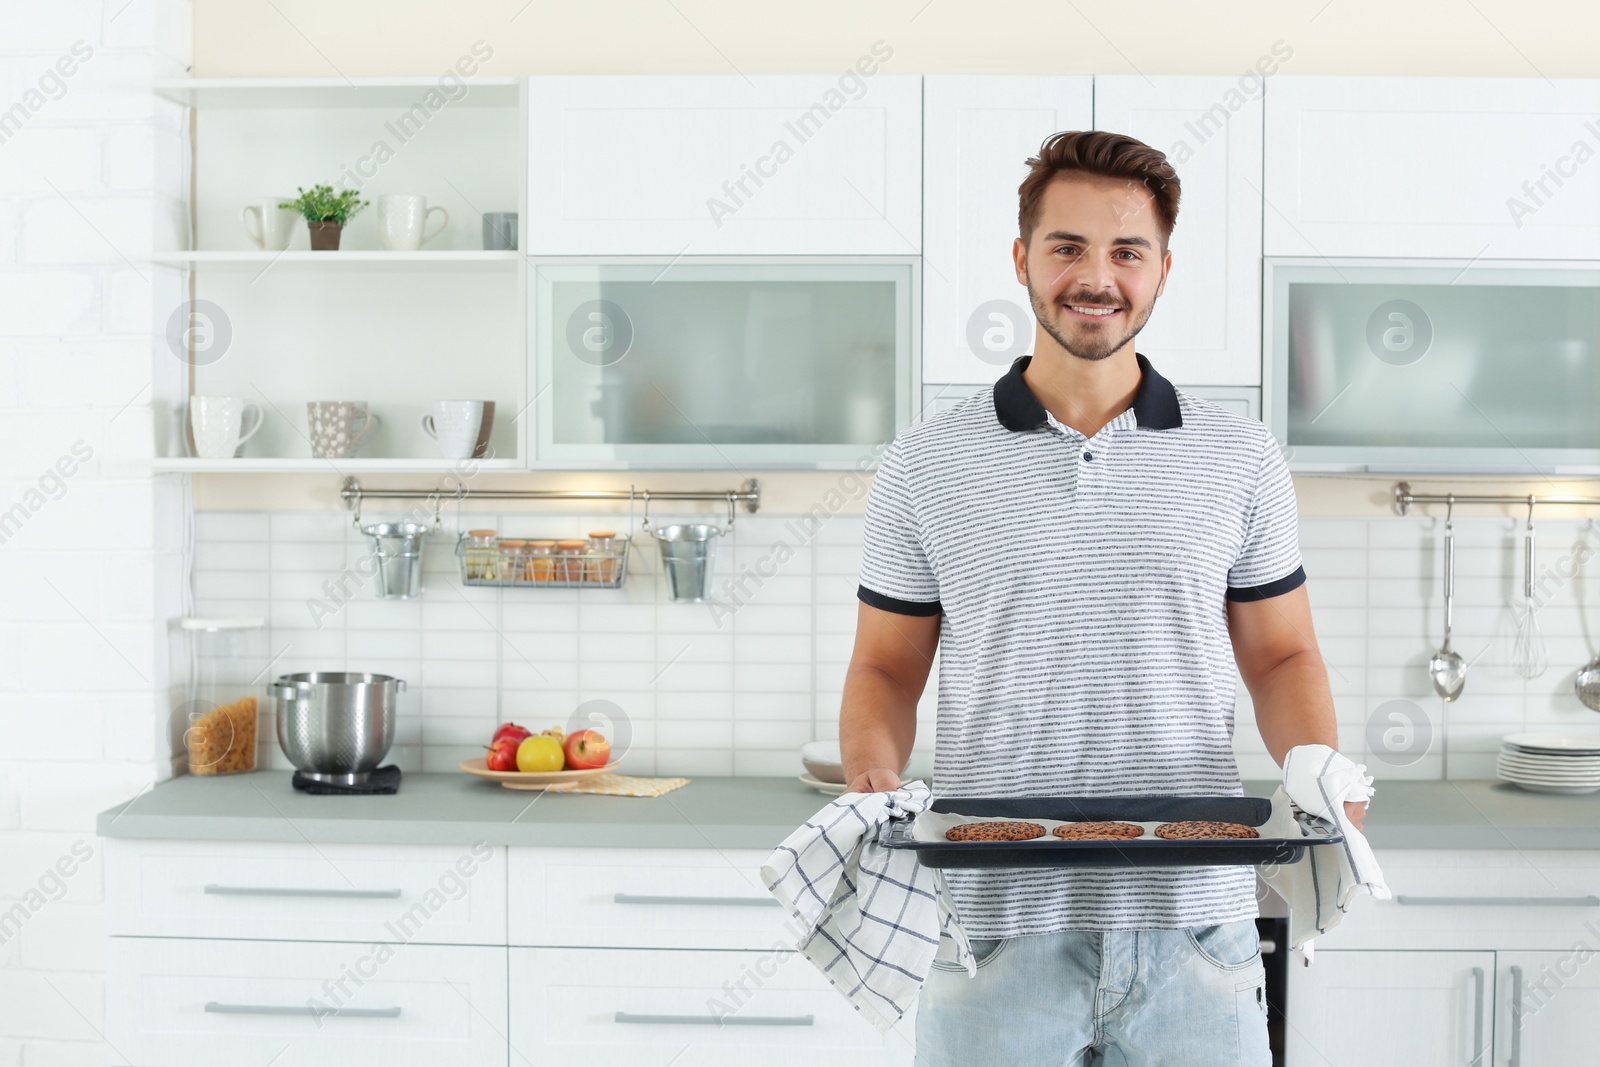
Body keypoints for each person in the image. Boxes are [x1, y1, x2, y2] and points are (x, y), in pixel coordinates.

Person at [841, 129, 1365, 1066]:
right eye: (1068, 247)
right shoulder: (924, 461)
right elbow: (885, 665)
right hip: (994, 928)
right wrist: (873, 772)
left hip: (1195, 923)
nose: (1097, 277)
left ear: (1164, 269)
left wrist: (1315, 766)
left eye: (1127, 251)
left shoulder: (1239, 456)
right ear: (1022, 260)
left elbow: (1282, 655)